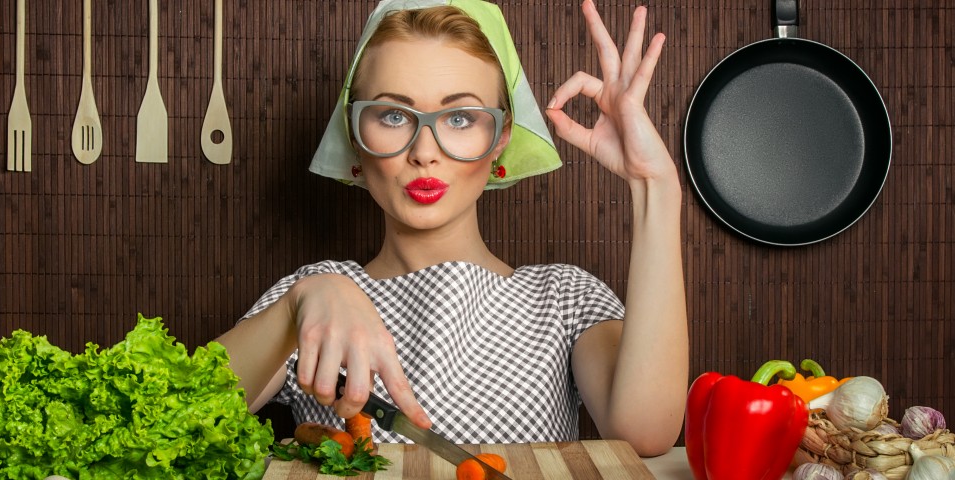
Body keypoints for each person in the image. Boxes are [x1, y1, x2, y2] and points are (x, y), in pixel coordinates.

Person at [213, 0, 687, 456]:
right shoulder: (312, 297)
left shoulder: (564, 299)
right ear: (354, 134)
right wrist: (297, 305)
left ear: (501, 136)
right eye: (393, 115)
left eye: (460, 117)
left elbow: (645, 434)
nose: (425, 151)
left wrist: (656, 187)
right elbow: (180, 419)